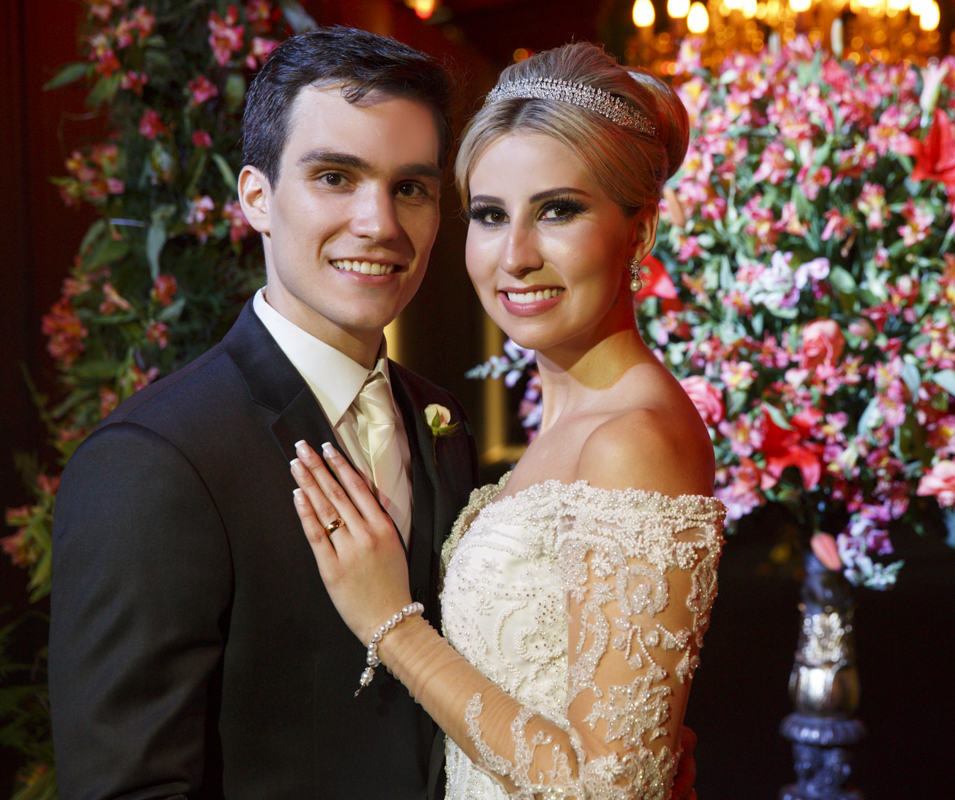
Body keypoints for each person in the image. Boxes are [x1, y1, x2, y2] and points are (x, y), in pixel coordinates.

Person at [48, 27, 478, 799]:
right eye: (337, 177)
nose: (380, 223)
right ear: (257, 197)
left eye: (411, 187)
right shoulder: (155, 460)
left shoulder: (441, 420)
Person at [289, 42, 725, 798]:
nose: (515, 255)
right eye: (490, 215)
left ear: (640, 231)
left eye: (558, 211)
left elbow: (609, 791)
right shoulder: (560, 428)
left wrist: (394, 627)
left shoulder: (634, 441)